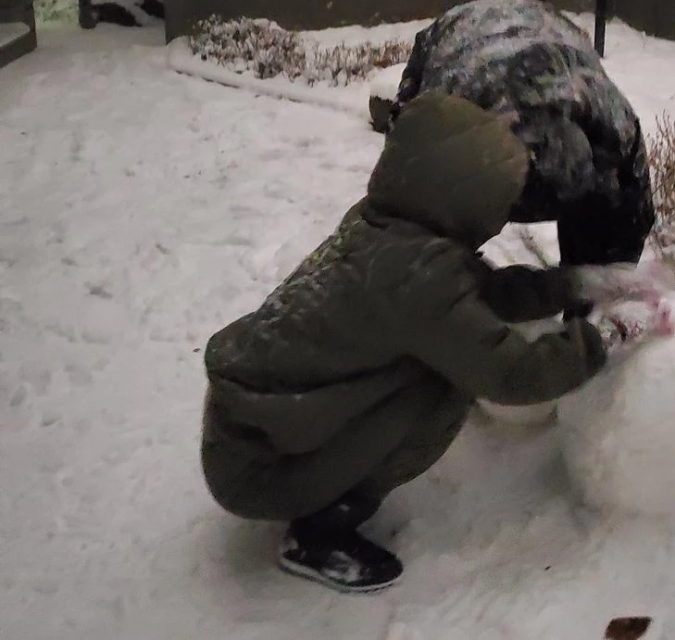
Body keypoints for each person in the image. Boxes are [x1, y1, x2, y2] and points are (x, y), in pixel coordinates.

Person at [200, 90, 640, 594]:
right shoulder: (417, 274)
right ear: (470, 195)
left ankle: (321, 492)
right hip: (261, 468)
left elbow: (475, 293)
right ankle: (319, 533)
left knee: (433, 355)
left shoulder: (385, 224)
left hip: (247, 433)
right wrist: (605, 336)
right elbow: (513, 375)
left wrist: (577, 283)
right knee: (443, 389)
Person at [389, 0, 655, 267]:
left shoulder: (617, 132)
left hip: (554, 30)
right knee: (429, 250)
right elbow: (404, 177)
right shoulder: (456, 116)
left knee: (600, 263)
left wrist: (609, 280)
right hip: (462, 34)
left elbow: (630, 221)